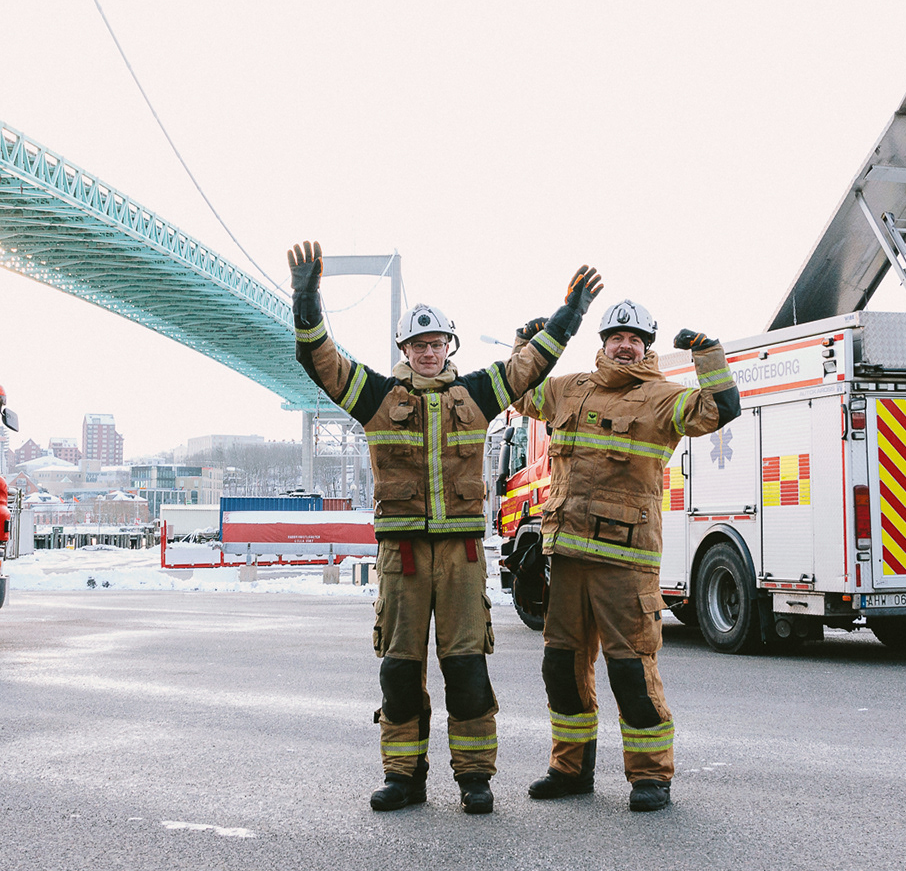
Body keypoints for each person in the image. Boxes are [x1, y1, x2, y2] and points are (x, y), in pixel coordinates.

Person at [289, 241, 603, 814]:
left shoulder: (478, 395)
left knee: (467, 669)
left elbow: (530, 365)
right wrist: (306, 300)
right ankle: (403, 777)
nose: (429, 353)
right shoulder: (375, 397)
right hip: (402, 557)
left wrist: (570, 315)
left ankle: (475, 778)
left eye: (437, 344)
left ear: (448, 347)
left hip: (460, 556)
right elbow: (322, 362)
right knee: (399, 671)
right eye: (419, 345)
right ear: (405, 350)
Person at [511, 299, 739, 812]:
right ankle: (570, 768)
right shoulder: (569, 388)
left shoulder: (663, 397)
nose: (625, 345)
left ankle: (651, 776)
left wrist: (709, 356)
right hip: (568, 558)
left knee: (631, 670)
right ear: (603, 342)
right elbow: (519, 393)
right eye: (617, 337)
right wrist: (526, 346)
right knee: (561, 667)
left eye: (635, 339)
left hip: (626, 562)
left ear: (646, 347)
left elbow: (719, 410)